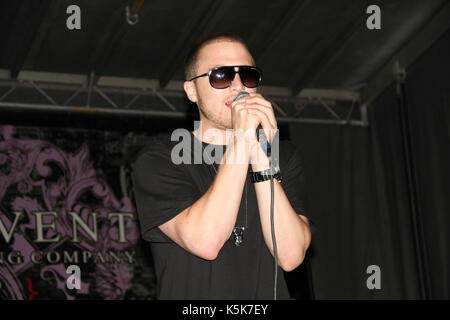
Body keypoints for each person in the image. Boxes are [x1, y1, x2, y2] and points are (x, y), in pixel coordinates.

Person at [131, 33, 312, 299]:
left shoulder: (283, 155)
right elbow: (206, 241)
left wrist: (261, 154)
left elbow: (291, 255)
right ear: (191, 91)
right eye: (221, 75)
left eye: (248, 75)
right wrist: (242, 140)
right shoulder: (161, 158)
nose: (238, 86)